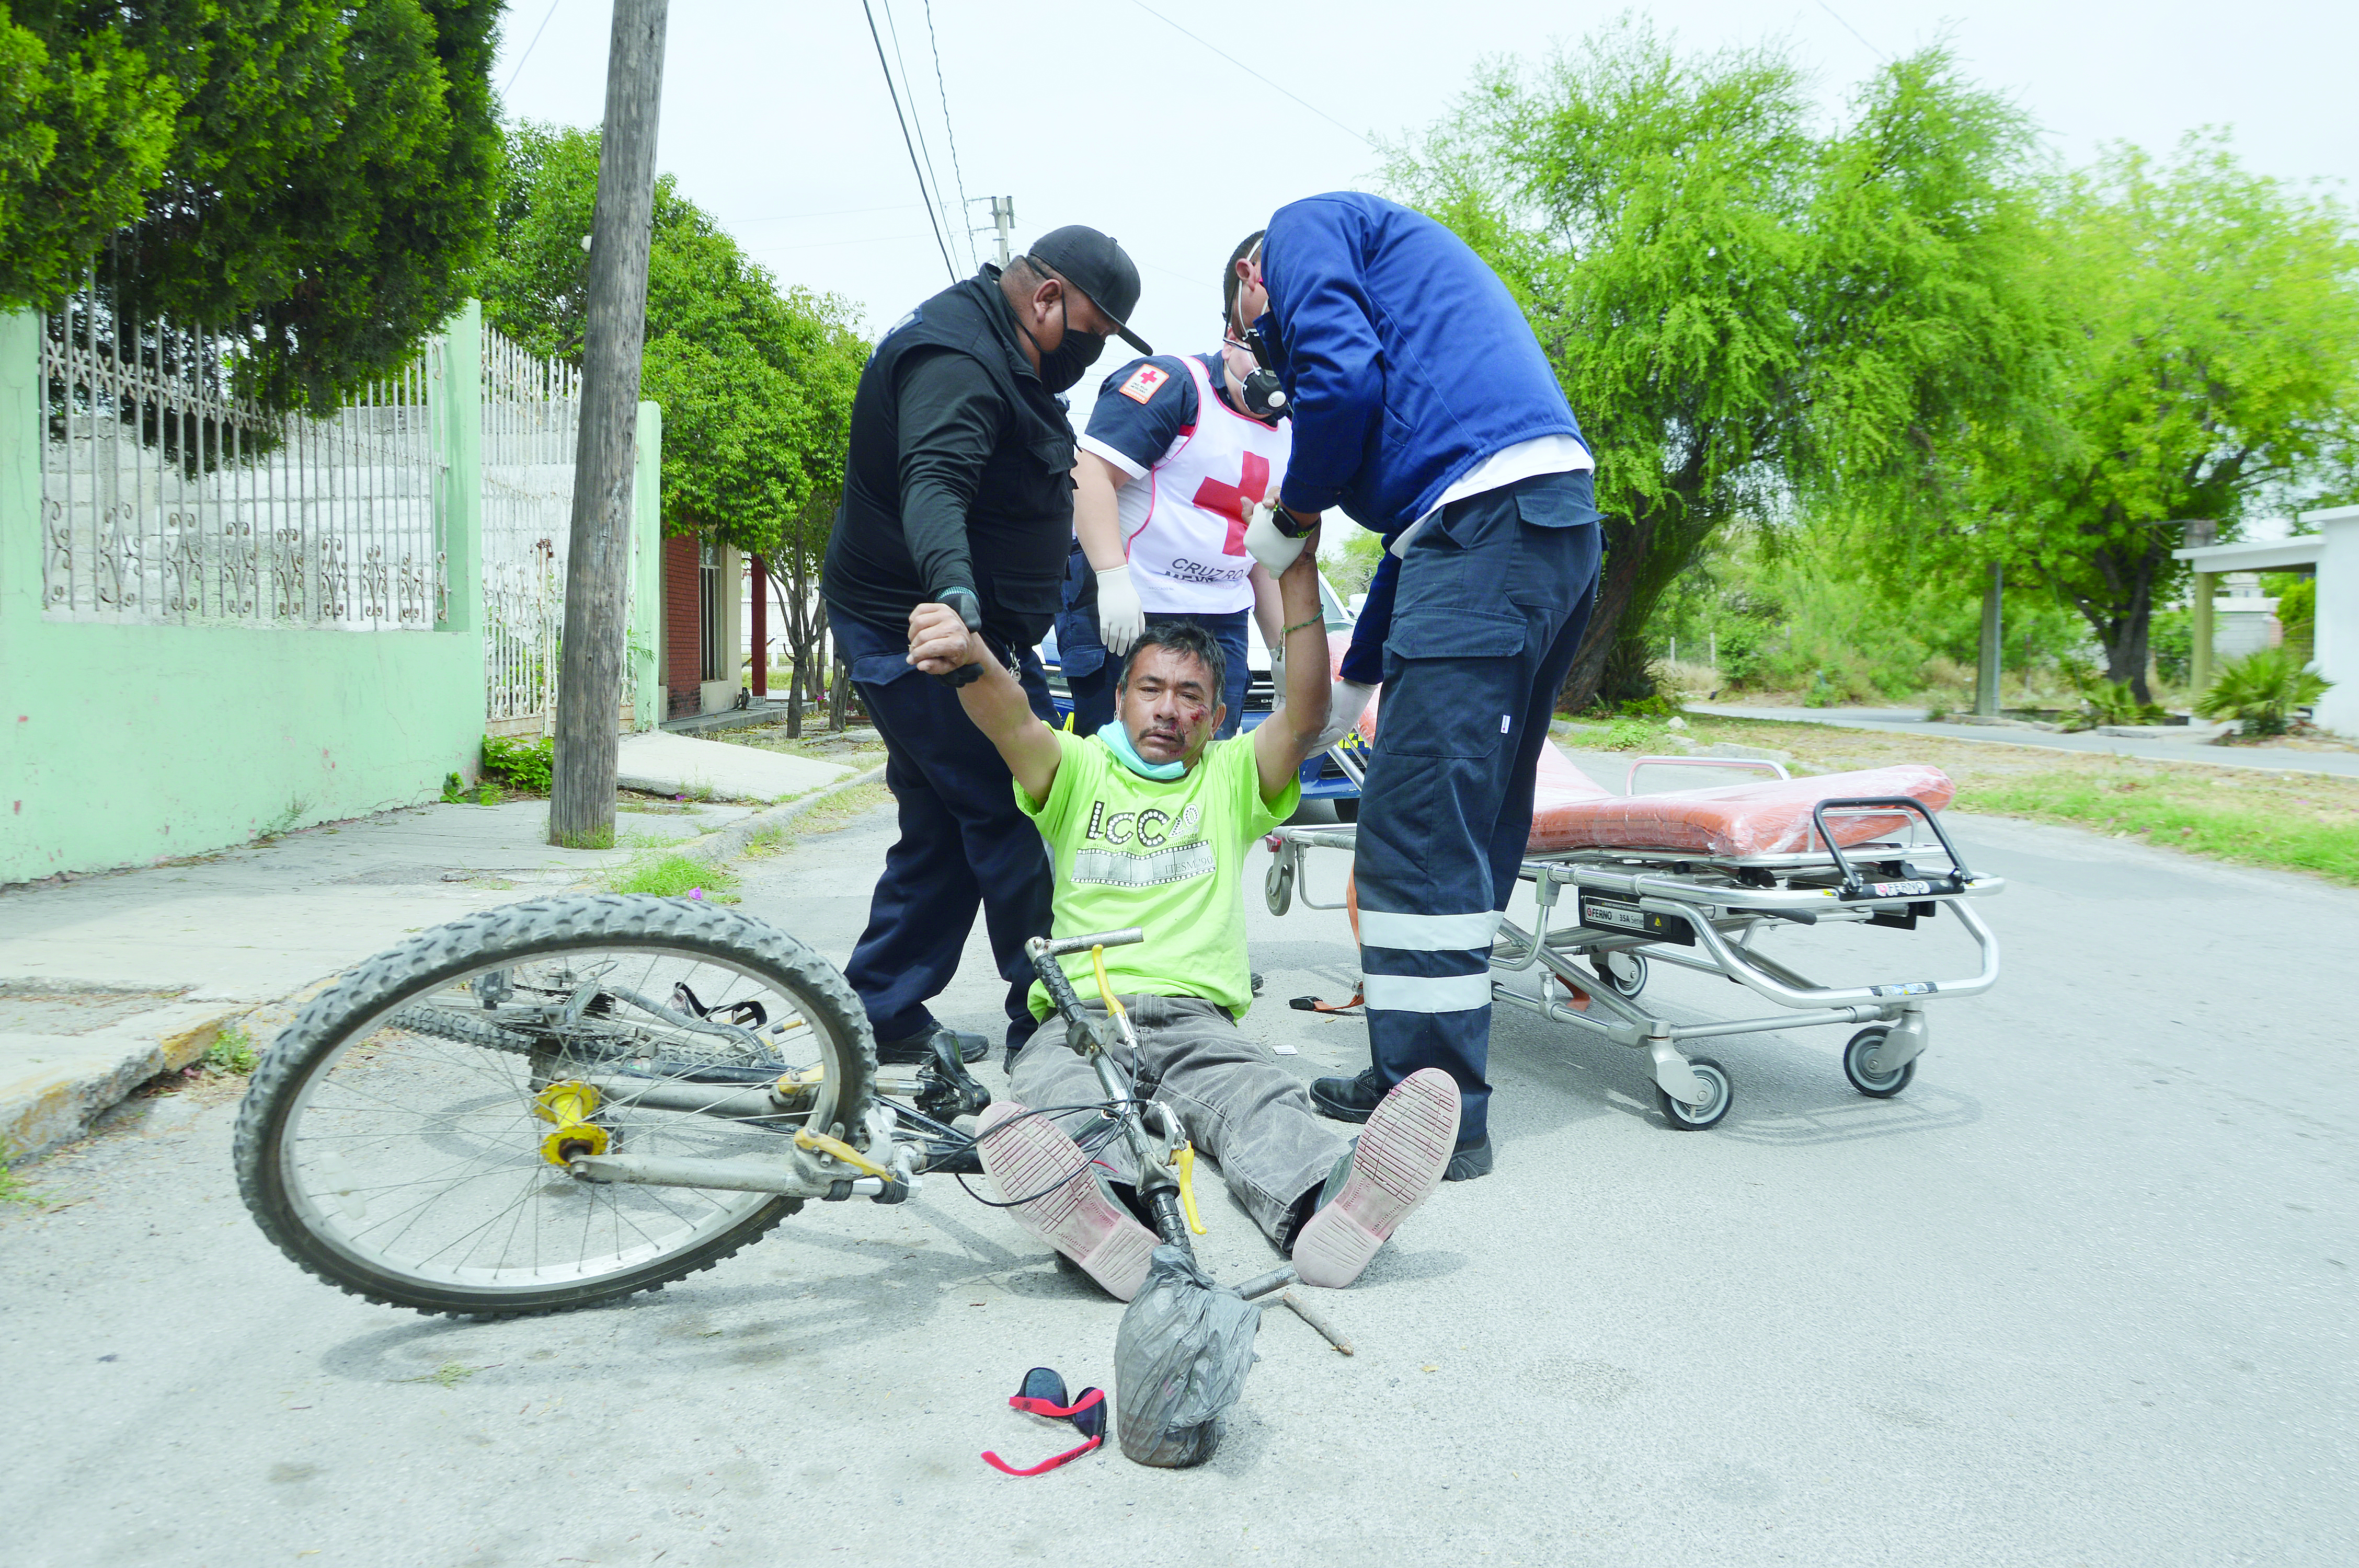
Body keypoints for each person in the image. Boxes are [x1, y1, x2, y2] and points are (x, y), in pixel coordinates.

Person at [903, 540, 1461, 1299]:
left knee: (1259, 1096)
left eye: (1190, 695)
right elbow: (1011, 723)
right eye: (1151, 690)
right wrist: (970, 656)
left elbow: (1305, 717)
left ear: (1216, 715)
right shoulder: (1076, 769)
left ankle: (1329, 1208)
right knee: (1059, 1096)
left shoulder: (1232, 777)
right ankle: (1108, 1219)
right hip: (1081, 1017)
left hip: (1197, 1019)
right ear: (1120, 700)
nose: (1169, 709)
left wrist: (1296, 577)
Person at [1237, 193, 1604, 1181]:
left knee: (1415, 828)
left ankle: (1437, 1110)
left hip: (1490, 531)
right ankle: (1416, 1070)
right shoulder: (1428, 342)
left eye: (1254, 342)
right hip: (1522, 525)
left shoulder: (1299, 228)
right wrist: (1353, 691)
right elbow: (1412, 540)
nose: (1267, 366)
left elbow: (1342, 381)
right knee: (1466, 818)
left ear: (1249, 280)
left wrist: (1294, 505)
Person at [821, 226, 1151, 1065]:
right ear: (1047, 298)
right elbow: (934, 481)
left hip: (955, 626)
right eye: (1094, 331)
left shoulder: (998, 345)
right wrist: (958, 602)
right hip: (931, 630)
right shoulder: (960, 360)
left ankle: (881, 1014)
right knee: (1023, 810)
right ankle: (1053, 1025)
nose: (1091, 351)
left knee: (941, 822)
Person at [1060, 232, 1290, 739]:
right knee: (1120, 768)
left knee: (1206, 777)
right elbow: (1090, 472)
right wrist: (1113, 577)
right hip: (1131, 608)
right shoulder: (1172, 386)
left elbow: (1266, 557)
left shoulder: (1293, 430)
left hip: (1222, 621)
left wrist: (1283, 653)